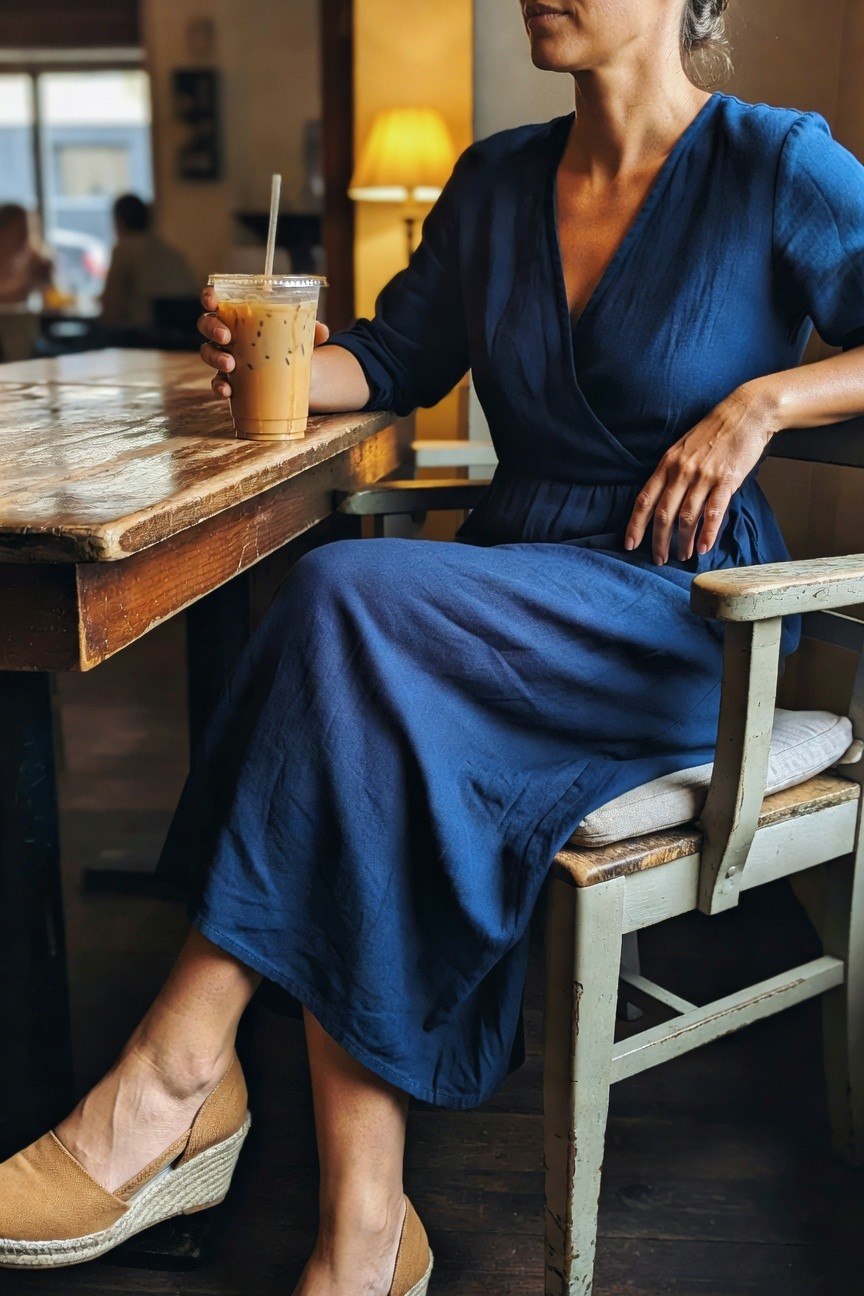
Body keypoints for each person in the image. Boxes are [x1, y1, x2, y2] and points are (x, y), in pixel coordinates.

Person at [3, 2, 864, 1292]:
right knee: (368, 695)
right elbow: (397, 357)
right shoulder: (498, 178)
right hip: (505, 604)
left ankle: (176, 1076)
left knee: (347, 607)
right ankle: (363, 1232)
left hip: (682, 617)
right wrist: (278, 356)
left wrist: (766, 401)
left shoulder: (777, 161)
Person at [99, 193, 197, 330]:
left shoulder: (125, 249)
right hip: (187, 335)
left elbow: (110, 308)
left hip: (145, 335)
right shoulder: (171, 251)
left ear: (119, 222)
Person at [0, 202, 52, 305]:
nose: (24, 238)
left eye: (28, 231)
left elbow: (53, 307)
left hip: (29, 321)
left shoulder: (41, 265)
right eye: (17, 232)